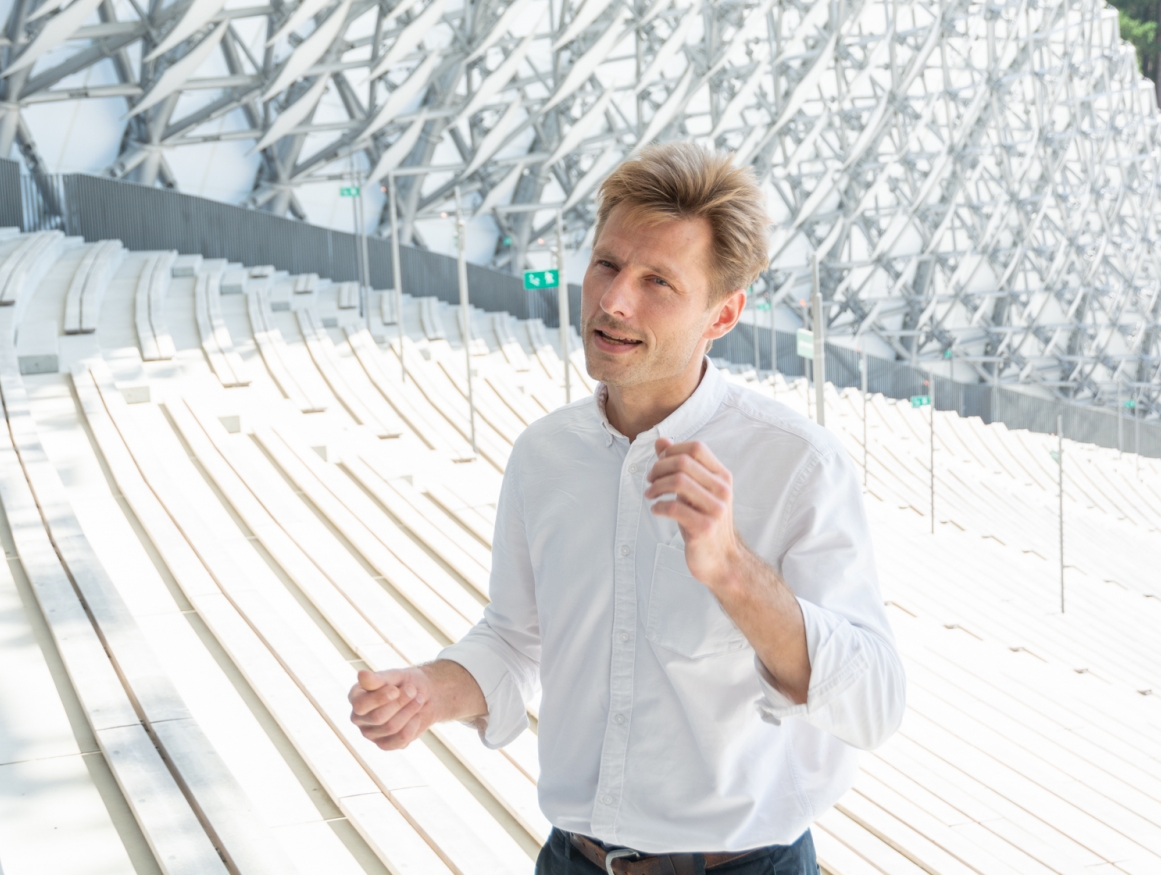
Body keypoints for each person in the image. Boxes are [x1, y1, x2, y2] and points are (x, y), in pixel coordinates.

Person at [348, 142, 904, 875]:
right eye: (607, 265)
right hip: (571, 860)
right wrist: (430, 691)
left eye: (658, 282)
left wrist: (732, 570)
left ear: (723, 314)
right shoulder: (545, 456)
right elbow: (517, 642)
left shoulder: (797, 463)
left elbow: (874, 702)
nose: (613, 301)